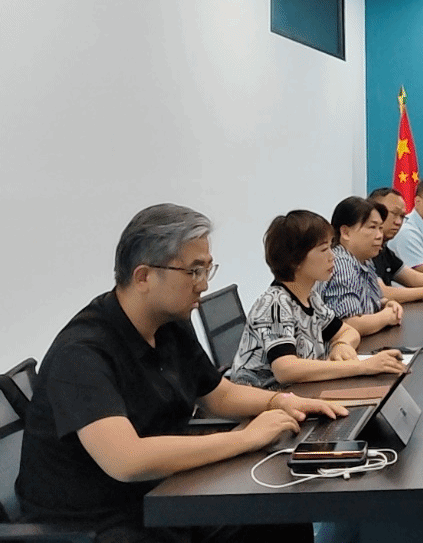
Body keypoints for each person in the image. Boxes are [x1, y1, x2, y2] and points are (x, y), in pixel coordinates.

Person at [16, 203, 341, 543]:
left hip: (163, 496)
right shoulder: (82, 353)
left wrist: (283, 401)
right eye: (194, 271)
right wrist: (245, 438)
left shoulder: (169, 324)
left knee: (281, 515)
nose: (203, 285)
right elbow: (126, 459)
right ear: (143, 277)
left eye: (207, 270)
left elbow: (219, 395)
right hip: (99, 522)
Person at [228, 210, 406, 391]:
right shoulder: (275, 304)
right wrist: (361, 367)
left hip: (302, 392)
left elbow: (348, 331)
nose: (332, 256)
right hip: (269, 399)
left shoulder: (310, 297)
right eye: (323, 249)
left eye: (330, 247)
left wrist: (341, 345)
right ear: (295, 260)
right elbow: (286, 369)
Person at [322, 196, 403, 337]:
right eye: (372, 227)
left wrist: (386, 304)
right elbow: (349, 324)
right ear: (346, 232)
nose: (379, 236)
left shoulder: (364, 260)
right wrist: (387, 317)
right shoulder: (342, 264)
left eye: (380, 228)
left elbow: (366, 302)